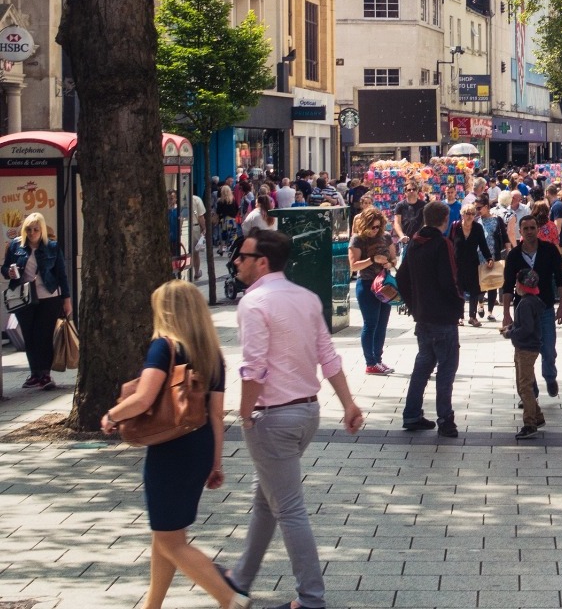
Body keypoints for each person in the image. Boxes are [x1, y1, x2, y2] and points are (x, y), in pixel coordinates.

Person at [228, 229, 364, 609]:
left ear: (263, 262)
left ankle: (310, 598)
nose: (237, 260)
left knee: (287, 508)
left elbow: (253, 367)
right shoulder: (305, 298)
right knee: (267, 500)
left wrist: (245, 413)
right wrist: (348, 404)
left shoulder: (254, 303)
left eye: (243, 255)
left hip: (273, 417)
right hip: (307, 413)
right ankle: (239, 580)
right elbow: (328, 356)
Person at [100, 280, 246, 609]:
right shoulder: (213, 354)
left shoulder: (164, 347)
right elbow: (217, 414)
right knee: (166, 534)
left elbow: (143, 398)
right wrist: (216, 462)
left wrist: (112, 415)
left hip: (171, 450)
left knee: (170, 538)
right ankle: (152, 606)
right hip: (200, 446)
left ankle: (230, 598)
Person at [396, 200, 464, 437]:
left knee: (423, 364)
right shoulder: (441, 244)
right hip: (443, 316)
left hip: (423, 316)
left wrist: (413, 304)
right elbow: (450, 280)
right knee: (446, 367)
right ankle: (445, 418)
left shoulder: (414, 243)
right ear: (445, 220)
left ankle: (412, 413)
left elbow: (401, 276)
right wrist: (459, 304)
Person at [501, 214, 562, 406]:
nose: (529, 232)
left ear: (537, 230)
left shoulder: (549, 251)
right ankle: (530, 392)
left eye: (532, 228)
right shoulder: (514, 255)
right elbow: (507, 286)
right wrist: (506, 313)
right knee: (525, 352)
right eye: (526, 229)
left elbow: (560, 280)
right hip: (523, 310)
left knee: (548, 349)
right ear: (520, 231)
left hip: (545, 307)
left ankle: (550, 376)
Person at [5, 212, 72, 390]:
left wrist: (66, 299)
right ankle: (34, 373)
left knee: (44, 335)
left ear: (42, 230)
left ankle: (45, 374)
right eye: (29, 229)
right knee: (29, 336)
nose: (33, 232)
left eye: (36, 229)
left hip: (49, 297)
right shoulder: (15, 246)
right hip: (24, 298)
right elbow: (5, 268)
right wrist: (8, 272)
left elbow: (61, 275)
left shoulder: (52, 247)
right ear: (24, 230)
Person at [348, 207, 396, 375]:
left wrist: (389, 263)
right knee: (371, 323)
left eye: (377, 227)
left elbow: (394, 258)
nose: (375, 230)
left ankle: (378, 359)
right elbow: (353, 266)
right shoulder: (357, 240)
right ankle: (370, 362)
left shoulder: (386, 237)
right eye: (372, 227)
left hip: (385, 284)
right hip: (367, 283)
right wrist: (372, 260)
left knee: (382, 324)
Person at [509, 267, 548, 441]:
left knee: (524, 386)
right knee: (526, 383)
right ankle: (537, 416)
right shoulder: (534, 301)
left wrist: (510, 333)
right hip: (529, 347)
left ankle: (529, 423)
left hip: (525, 348)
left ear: (521, 285)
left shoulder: (525, 303)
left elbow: (526, 328)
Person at [452, 204, 491, 327]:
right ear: (462, 214)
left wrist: (489, 258)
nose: (470, 216)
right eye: (467, 213)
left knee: (474, 290)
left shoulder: (478, 228)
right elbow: (448, 243)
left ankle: (472, 317)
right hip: (457, 263)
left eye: (472, 214)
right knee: (458, 290)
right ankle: (459, 316)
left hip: (473, 263)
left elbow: (483, 245)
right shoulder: (455, 226)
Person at [392, 183, 426, 259]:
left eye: (414, 189)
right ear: (405, 192)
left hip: (420, 241)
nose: (411, 191)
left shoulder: (424, 205)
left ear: (417, 191)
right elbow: (397, 222)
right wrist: (401, 236)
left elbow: (427, 222)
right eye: (409, 189)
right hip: (405, 241)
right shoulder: (400, 205)